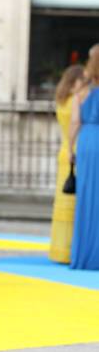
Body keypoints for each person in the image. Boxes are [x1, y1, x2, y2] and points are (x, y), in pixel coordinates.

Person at [49, 64, 85, 263]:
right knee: (73, 204)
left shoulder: (61, 101)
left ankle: (59, 249)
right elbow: (76, 124)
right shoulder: (75, 102)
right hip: (74, 152)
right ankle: (70, 250)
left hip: (63, 152)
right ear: (74, 83)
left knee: (63, 201)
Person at [69, 43, 99, 269]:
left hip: (87, 141)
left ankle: (84, 255)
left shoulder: (82, 91)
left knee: (86, 196)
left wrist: (70, 148)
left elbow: (74, 122)